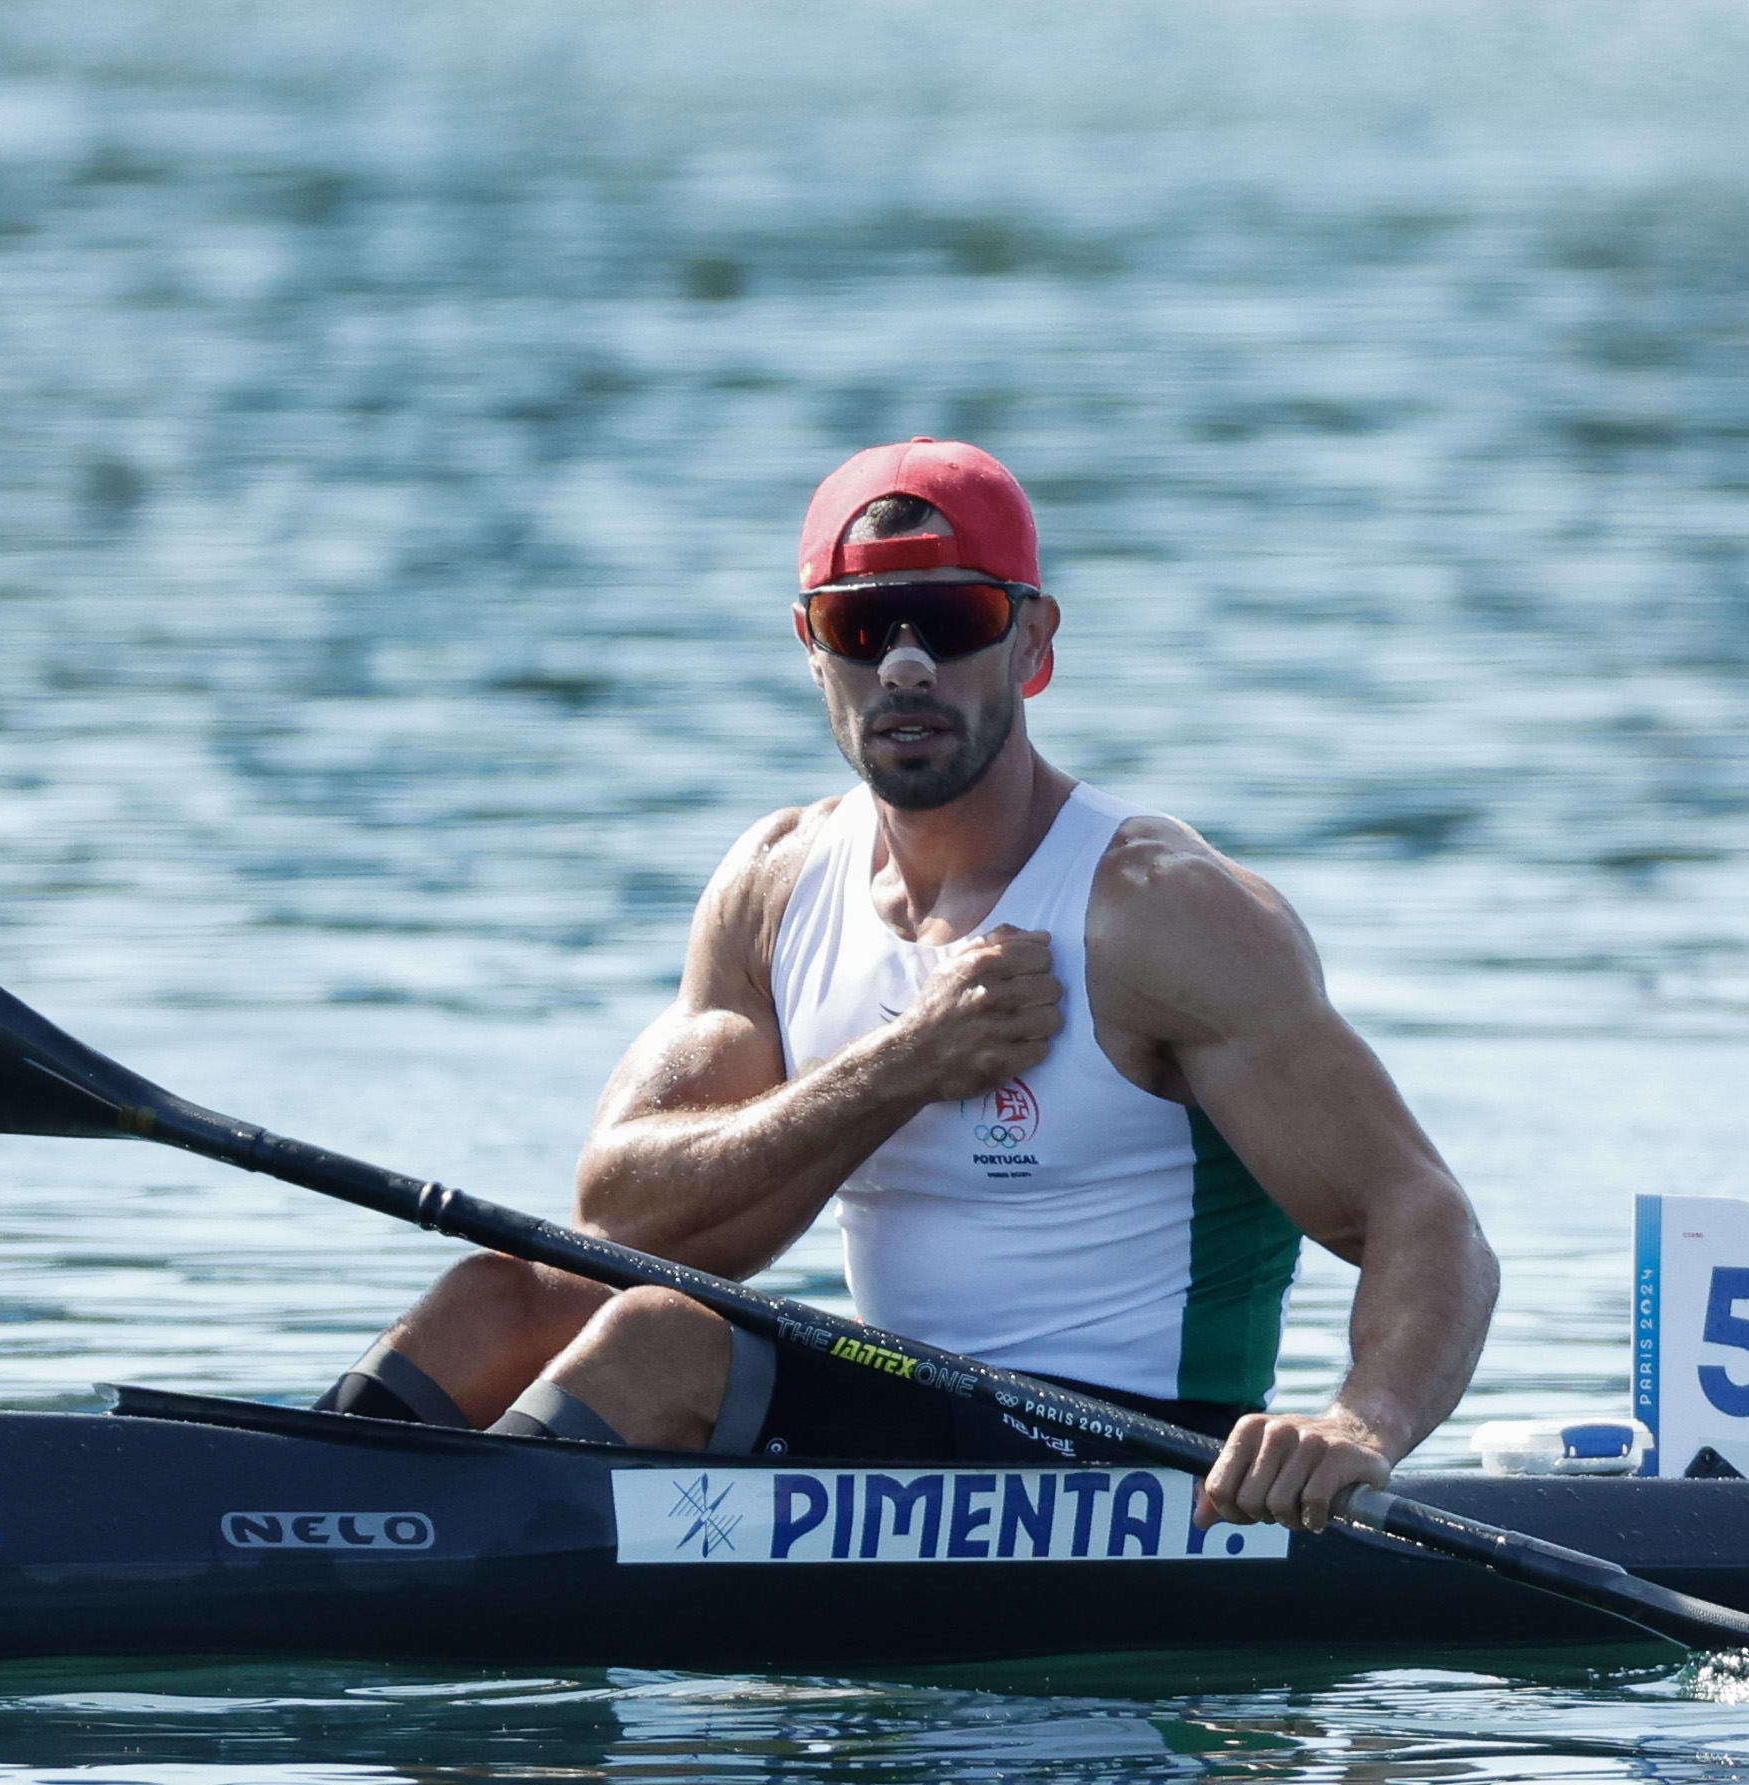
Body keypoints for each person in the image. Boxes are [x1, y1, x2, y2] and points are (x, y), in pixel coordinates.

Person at [318, 437, 1497, 1532]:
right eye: (860, 625)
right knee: (501, 1298)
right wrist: (899, 1066)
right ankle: (305, 1526)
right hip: (904, 1417)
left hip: (1127, 1461)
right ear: (811, 647)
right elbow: (621, 1219)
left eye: (951, 618)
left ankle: (387, 1567)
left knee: (660, 1343)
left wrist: (1358, 1427)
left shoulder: (1158, 912)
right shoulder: (775, 883)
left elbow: (1420, 1212)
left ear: (1032, 643)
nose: (905, 663)